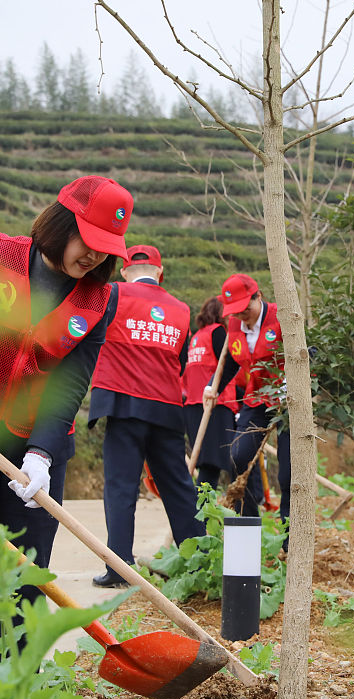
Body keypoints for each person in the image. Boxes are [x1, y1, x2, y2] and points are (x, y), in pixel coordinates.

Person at [0, 176, 131, 659]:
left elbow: (70, 382)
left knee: (25, 583)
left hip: (37, 451)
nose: (96, 258)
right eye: (90, 242)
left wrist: (41, 454)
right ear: (61, 223)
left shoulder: (101, 300)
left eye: (107, 250)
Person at [87, 244, 204, 587]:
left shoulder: (112, 295)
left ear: (124, 270)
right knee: (179, 488)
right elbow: (181, 360)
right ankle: (198, 563)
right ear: (160, 272)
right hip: (167, 408)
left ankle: (120, 567)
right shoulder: (182, 310)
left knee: (121, 487)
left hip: (124, 406)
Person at [204, 273, 289, 527]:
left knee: (288, 474)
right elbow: (230, 362)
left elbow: (309, 351)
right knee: (238, 456)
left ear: (258, 296)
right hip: (257, 398)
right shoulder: (234, 326)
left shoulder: (282, 316)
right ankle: (250, 523)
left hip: (288, 401)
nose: (242, 316)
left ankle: (290, 538)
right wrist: (213, 386)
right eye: (235, 311)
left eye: (245, 309)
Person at [183, 296, 239, 491]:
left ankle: (207, 509)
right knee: (219, 462)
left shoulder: (197, 336)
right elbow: (229, 365)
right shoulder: (218, 333)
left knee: (211, 462)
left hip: (194, 405)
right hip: (215, 404)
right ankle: (209, 512)